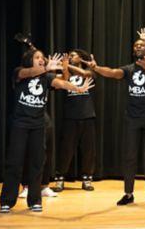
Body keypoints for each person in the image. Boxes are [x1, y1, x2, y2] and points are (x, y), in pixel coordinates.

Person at [0, 50, 93, 213]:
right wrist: (46, 68)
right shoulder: (19, 72)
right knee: (14, 163)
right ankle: (7, 201)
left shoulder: (47, 78)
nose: (41, 60)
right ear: (29, 60)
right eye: (37, 58)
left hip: (38, 126)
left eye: (42, 58)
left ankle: (35, 200)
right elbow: (28, 72)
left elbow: (62, 83)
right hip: (20, 124)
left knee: (37, 163)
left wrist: (77, 88)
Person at [85, 28, 145, 205]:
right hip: (132, 118)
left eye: (142, 44)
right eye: (136, 45)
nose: (138, 46)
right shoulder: (128, 70)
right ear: (133, 50)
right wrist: (96, 68)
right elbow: (113, 73)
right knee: (130, 156)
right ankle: (128, 194)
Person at [53, 49, 97, 192]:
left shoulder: (90, 71)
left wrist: (65, 64)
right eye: (69, 56)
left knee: (88, 150)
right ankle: (60, 178)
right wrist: (64, 67)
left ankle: (87, 178)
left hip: (87, 115)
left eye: (73, 55)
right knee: (66, 149)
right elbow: (63, 82)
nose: (70, 57)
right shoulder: (65, 72)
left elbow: (84, 74)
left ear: (81, 58)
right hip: (70, 116)